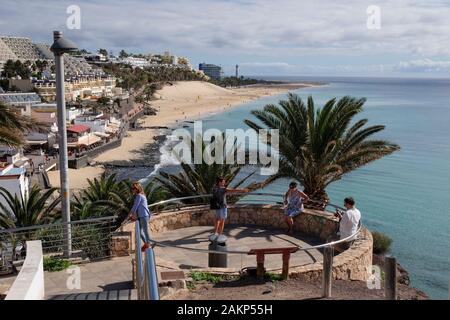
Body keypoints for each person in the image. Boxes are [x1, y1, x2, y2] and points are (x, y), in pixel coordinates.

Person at [209, 177, 249, 242]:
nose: (224, 183)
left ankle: (215, 232)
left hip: (216, 206)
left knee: (217, 219)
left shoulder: (214, 188)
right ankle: (220, 234)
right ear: (219, 182)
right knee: (222, 220)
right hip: (223, 206)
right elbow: (233, 190)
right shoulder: (223, 189)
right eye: (223, 182)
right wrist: (242, 190)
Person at [128, 182, 152, 251]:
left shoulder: (139, 196)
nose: (132, 190)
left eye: (133, 188)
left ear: (137, 188)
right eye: (132, 188)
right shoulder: (142, 195)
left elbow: (135, 206)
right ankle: (147, 244)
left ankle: (148, 245)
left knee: (145, 231)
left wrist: (130, 213)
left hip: (143, 215)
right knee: (139, 232)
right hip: (142, 215)